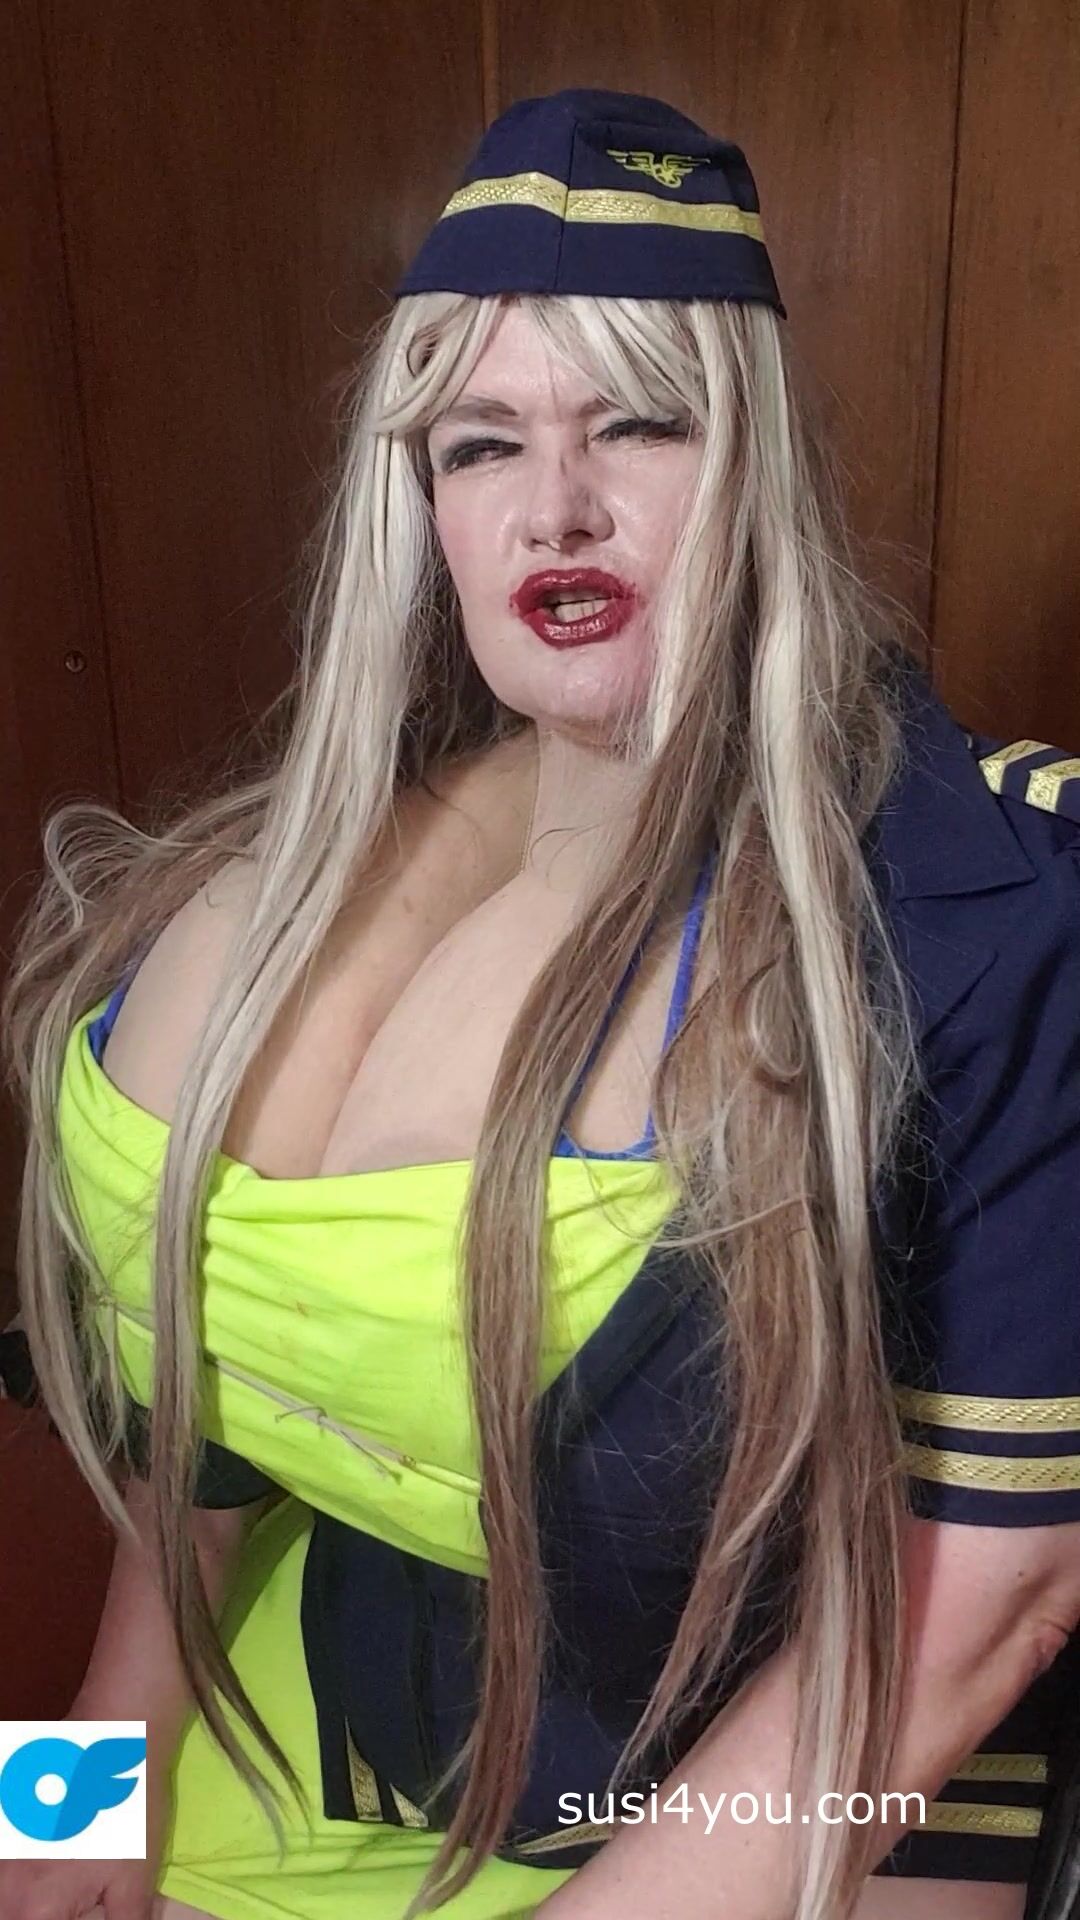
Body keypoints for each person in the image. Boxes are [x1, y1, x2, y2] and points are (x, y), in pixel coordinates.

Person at [2, 83, 1080, 1920]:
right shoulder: (294, 880)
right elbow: (202, 1424)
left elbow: (984, 1610)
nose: (555, 508)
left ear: (755, 458)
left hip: (824, 1759)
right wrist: (72, 1789)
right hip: (353, 1705)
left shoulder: (993, 907)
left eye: (638, 423)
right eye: (481, 443)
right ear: (417, 496)